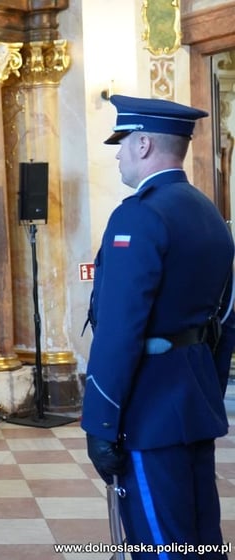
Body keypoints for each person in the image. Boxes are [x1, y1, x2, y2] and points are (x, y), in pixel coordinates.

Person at [82, 95, 233, 556]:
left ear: (144, 144)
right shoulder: (209, 213)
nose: (118, 155)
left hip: (148, 411)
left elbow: (119, 330)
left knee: (161, 544)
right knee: (202, 536)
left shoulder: (139, 215)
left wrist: (101, 420)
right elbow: (226, 318)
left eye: (123, 143)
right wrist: (209, 385)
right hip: (194, 400)